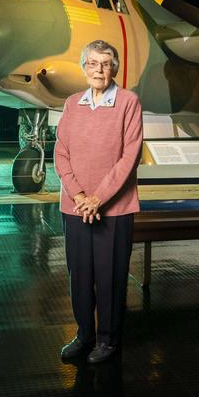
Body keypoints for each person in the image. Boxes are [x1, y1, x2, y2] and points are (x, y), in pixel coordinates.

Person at [54, 39, 143, 364]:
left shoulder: (128, 102)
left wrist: (98, 198)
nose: (99, 70)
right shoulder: (71, 103)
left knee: (111, 277)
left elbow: (129, 156)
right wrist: (79, 196)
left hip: (114, 210)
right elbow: (60, 153)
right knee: (80, 276)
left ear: (114, 68)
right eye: (92, 63)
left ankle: (107, 339)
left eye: (105, 64)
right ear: (84, 67)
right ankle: (84, 335)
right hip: (75, 207)